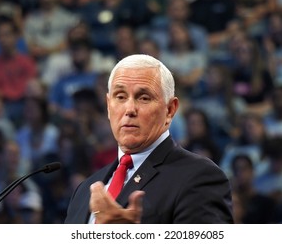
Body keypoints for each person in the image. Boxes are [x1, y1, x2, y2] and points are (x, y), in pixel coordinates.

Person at [64, 54, 233, 224]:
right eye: (120, 97)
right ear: (108, 106)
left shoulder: (199, 177)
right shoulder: (84, 191)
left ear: (170, 110)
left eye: (144, 98)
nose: (129, 109)